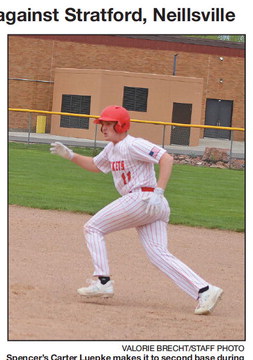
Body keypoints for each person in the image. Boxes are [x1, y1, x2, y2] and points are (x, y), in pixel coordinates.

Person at [50, 105, 223, 315]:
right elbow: (96, 165)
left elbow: (166, 158)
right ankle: (204, 290)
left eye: (107, 123)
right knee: (158, 255)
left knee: (92, 228)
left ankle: (103, 281)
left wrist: (159, 191)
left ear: (121, 124)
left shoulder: (133, 144)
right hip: (149, 204)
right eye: (102, 124)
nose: (103, 127)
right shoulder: (112, 149)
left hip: (143, 198)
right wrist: (70, 155)